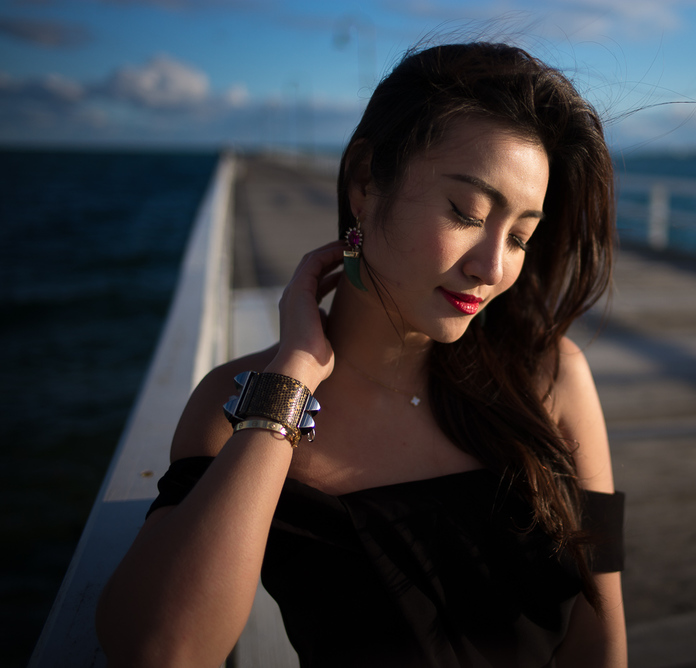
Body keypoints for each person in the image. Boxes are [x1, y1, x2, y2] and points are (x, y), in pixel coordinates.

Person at [96, 41, 626, 668]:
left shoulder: (554, 376)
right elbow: (160, 649)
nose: (491, 268)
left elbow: (603, 635)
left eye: (519, 237)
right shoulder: (240, 401)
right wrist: (293, 375)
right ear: (366, 181)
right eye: (466, 212)